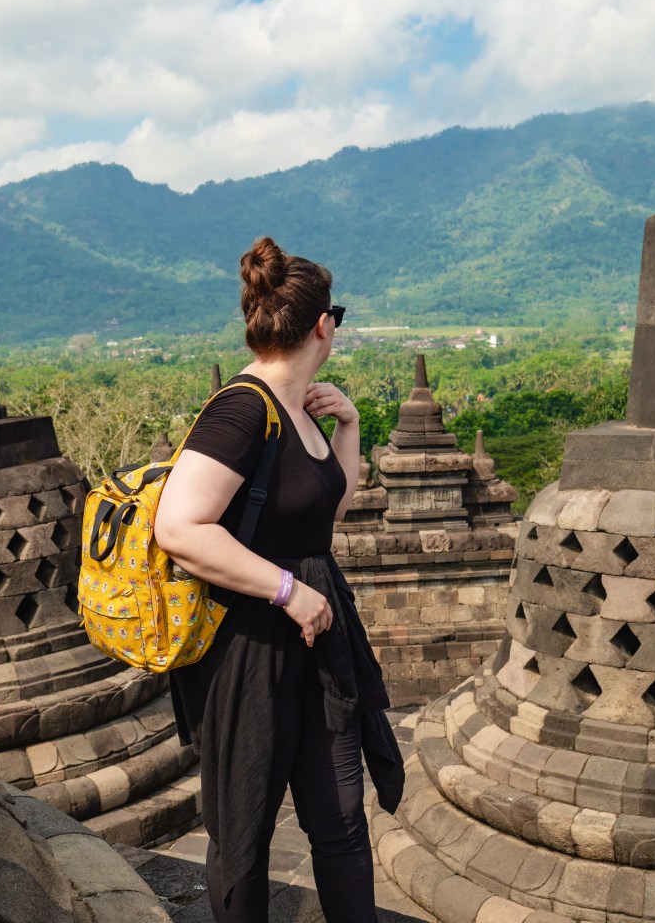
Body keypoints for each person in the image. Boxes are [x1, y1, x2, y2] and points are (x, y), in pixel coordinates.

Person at [155, 236, 403, 923]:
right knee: (243, 836)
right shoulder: (240, 410)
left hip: (320, 645)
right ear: (323, 324)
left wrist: (347, 425)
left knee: (341, 822)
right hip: (248, 649)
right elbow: (179, 529)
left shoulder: (301, 408)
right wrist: (287, 591)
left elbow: (325, 512)